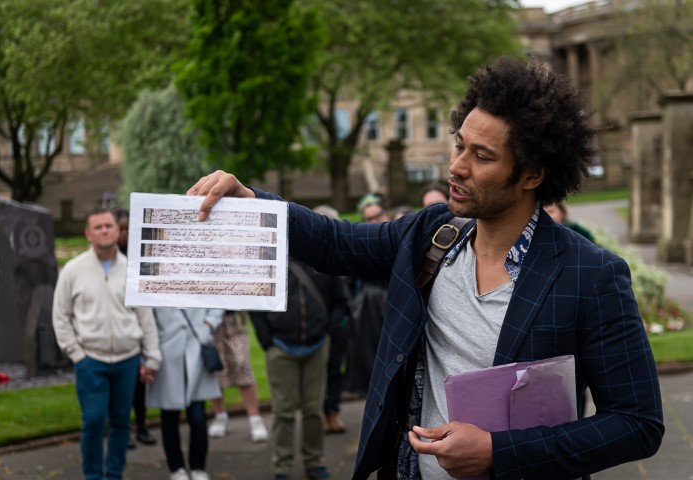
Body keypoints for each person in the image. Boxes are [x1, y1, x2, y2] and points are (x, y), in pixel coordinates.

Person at [187, 57, 664, 480]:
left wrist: (499, 452)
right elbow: (336, 242)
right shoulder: (432, 236)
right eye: (460, 146)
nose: (456, 166)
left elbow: (637, 424)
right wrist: (254, 203)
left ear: (532, 175)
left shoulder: (591, 275)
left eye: (482, 156)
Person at [53, 207, 161, 480]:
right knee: (93, 421)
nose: (104, 231)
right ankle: (93, 475)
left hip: (128, 359)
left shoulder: (133, 269)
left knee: (121, 422)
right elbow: (60, 316)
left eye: (108, 226)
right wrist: (77, 354)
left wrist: (152, 357)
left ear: (118, 229)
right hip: (91, 360)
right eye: (98, 227)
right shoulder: (72, 270)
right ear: (88, 233)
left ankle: (114, 474)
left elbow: (145, 317)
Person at [250, 258, 351, 480]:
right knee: (284, 411)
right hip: (281, 347)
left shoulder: (322, 259)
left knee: (313, 410)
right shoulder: (271, 261)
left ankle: (314, 462)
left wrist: (327, 330)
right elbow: (256, 300)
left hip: (316, 345)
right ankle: (282, 467)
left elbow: (340, 301)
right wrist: (267, 340)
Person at [147, 308, 224, 480]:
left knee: (197, 415)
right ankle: (176, 468)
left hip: (195, 346)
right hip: (167, 349)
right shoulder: (155, 280)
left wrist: (209, 324)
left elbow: (217, 301)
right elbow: (147, 314)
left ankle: (198, 467)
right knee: (169, 415)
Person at [114, 209, 157, 449]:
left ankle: (141, 425)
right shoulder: (111, 258)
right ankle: (121, 428)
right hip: (119, 326)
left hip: (140, 325)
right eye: (120, 228)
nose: (123, 234)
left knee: (140, 383)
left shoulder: (141, 256)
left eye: (128, 229)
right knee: (120, 388)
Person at [345, 194, 390, 397]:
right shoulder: (363, 243)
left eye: (376, 216)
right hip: (369, 307)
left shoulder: (399, 237)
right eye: (368, 218)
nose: (373, 222)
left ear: (386, 214)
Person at [312, 204, 352, 434]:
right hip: (312, 329)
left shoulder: (336, 257)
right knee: (317, 375)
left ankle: (333, 411)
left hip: (334, 327)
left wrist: (332, 325)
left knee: (335, 371)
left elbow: (342, 298)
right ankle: (318, 413)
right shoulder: (302, 257)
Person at [207, 310, 269, 442]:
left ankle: (254, 418)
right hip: (207, 319)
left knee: (242, 365)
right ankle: (220, 415)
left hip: (234, 317)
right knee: (215, 367)